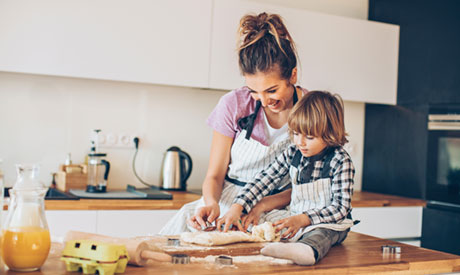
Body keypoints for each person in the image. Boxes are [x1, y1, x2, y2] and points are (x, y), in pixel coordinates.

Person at [159, 12, 308, 235]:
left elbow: (307, 184)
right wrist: (211, 202)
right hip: (229, 202)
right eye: (254, 92)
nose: (265, 101)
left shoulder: (312, 109)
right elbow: (215, 175)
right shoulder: (233, 104)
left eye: (272, 90)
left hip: (282, 205)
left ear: (293, 76)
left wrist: (258, 207)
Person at [217, 91, 355, 265]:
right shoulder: (293, 152)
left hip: (329, 224)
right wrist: (238, 206)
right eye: (296, 134)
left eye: (309, 137)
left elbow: (340, 208)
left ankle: (308, 251)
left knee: (321, 234)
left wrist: (304, 219)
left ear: (330, 134)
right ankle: (285, 247)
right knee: (265, 223)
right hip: (296, 217)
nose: (300, 142)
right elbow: (265, 179)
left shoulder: (340, 161)